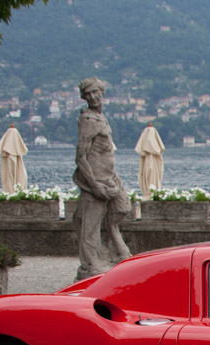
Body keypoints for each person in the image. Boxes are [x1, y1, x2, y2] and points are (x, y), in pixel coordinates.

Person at [73, 76, 132, 280]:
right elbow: (80, 157)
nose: (92, 96)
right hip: (95, 184)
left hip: (109, 179)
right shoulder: (89, 120)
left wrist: (115, 179)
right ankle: (91, 267)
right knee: (90, 226)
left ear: (102, 92)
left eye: (95, 92)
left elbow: (104, 154)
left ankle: (112, 252)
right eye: (88, 94)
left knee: (122, 208)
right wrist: (94, 185)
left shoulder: (100, 118)